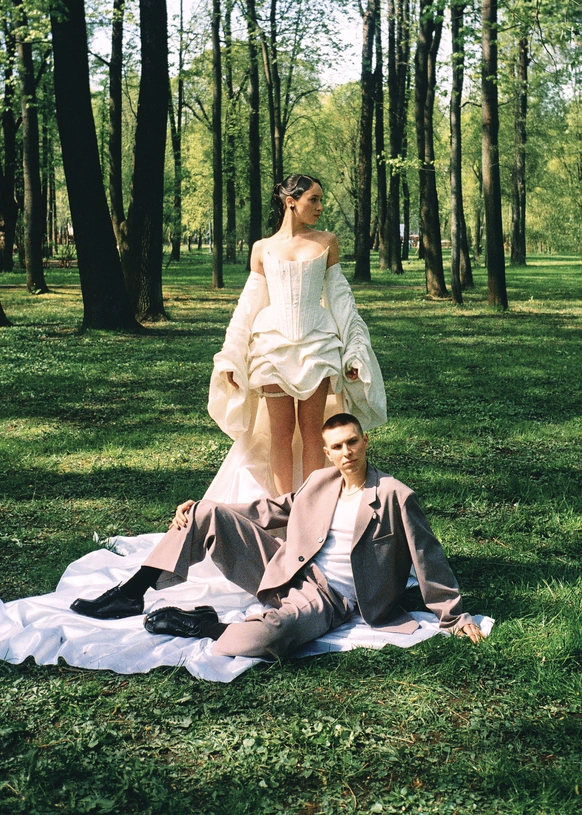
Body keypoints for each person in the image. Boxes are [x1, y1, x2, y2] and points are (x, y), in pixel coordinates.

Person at [70, 413, 484, 657]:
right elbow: (272, 510)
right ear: (327, 453)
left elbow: (428, 558)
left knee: (267, 637)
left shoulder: (395, 495)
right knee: (204, 512)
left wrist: (454, 616)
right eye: (337, 447)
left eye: (353, 442)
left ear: (365, 441)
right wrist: (203, 510)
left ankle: (202, 625)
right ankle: (132, 592)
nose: (347, 452)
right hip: (283, 567)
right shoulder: (320, 481)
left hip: (329, 597)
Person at [206, 174, 386, 500]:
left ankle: (312, 507)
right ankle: (284, 507)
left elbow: (341, 299)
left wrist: (354, 350)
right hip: (273, 347)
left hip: (317, 344)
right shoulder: (262, 248)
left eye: (320, 200)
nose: (320, 207)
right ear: (291, 202)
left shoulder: (326, 242)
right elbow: (248, 305)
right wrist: (232, 356)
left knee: (314, 432)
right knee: (281, 433)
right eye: (313, 199)